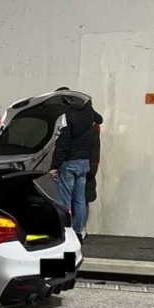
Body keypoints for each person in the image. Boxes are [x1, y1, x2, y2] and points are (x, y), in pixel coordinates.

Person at [49, 87, 103, 240]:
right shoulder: (88, 112)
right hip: (83, 163)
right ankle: (79, 232)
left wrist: (54, 166)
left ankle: (66, 234)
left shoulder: (67, 117)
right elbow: (100, 119)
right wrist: (88, 105)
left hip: (69, 163)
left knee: (64, 201)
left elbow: (62, 145)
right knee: (80, 200)